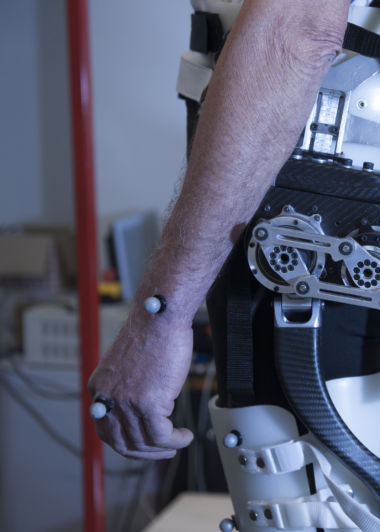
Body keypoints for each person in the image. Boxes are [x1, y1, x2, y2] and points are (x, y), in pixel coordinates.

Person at [88, 0, 351, 460]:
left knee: (299, 483)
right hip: (326, 223)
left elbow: (295, 34)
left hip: (311, 226)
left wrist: (158, 320)